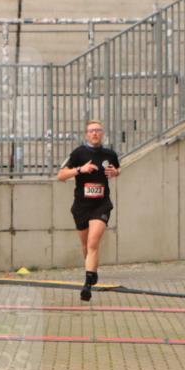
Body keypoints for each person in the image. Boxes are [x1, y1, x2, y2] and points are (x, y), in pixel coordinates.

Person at [57, 120, 120, 302]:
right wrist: (80, 169)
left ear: (102, 134)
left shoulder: (110, 154)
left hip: (101, 205)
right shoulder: (78, 153)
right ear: (86, 134)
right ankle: (91, 272)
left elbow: (118, 168)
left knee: (93, 243)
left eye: (98, 131)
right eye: (91, 131)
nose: (95, 134)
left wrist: (115, 173)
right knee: (86, 246)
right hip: (81, 206)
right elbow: (61, 175)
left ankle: (87, 284)